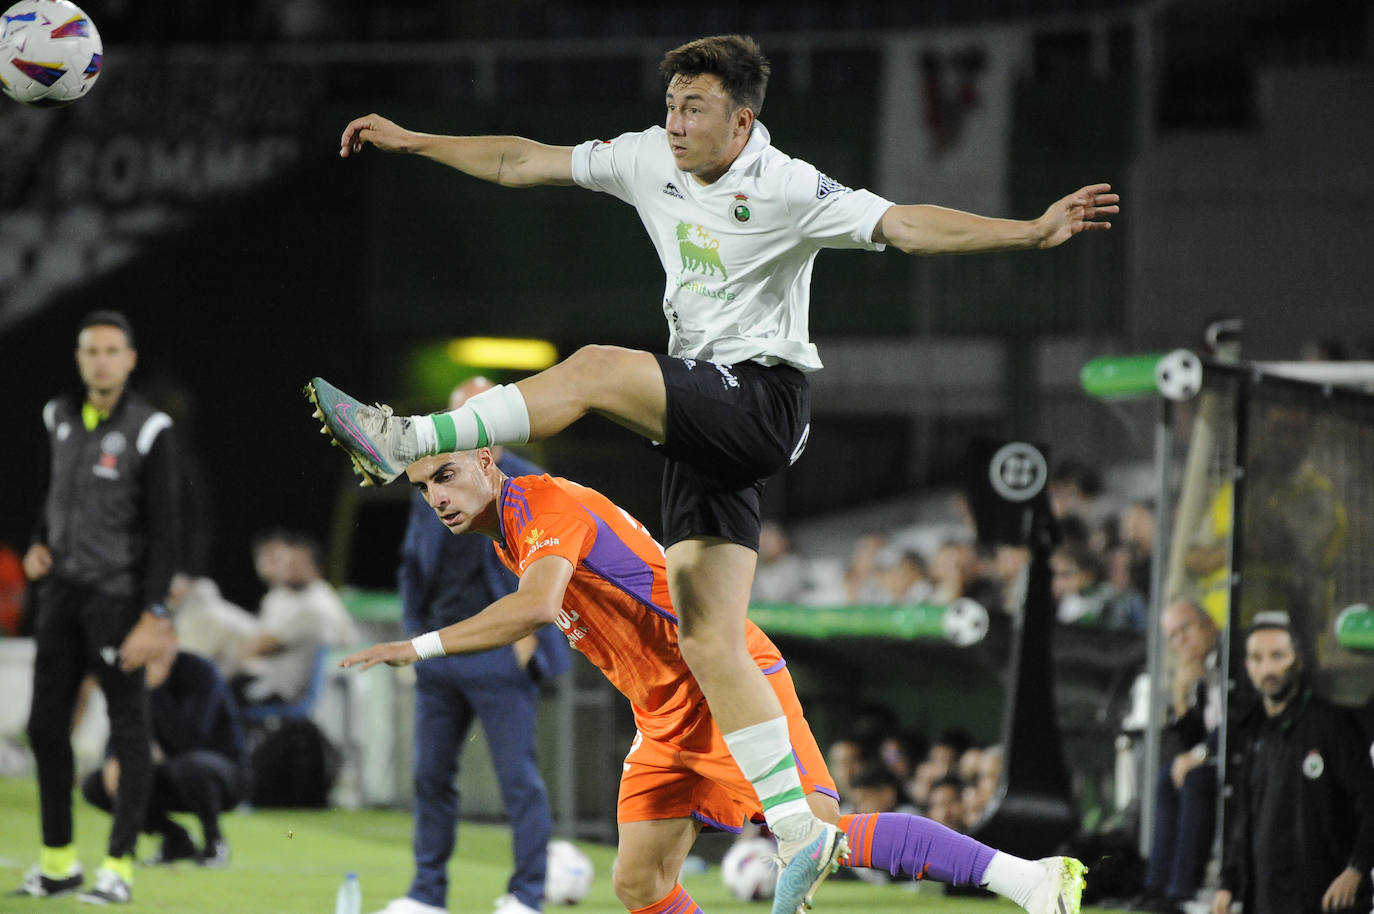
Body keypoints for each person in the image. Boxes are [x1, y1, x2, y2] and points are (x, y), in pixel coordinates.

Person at [312, 33, 1116, 914]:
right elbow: (519, 160)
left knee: (592, 370)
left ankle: (404, 433)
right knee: (704, 651)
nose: (676, 122)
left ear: (744, 119)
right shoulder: (648, 158)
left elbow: (906, 224)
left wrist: (1030, 230)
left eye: (695, 108)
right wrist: (416, 141)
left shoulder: (788, 185)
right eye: (671, 105)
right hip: (700, 433)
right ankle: (807, 837)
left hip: (762, 404)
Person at [340, 449, 1088, 914]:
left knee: (821, 839)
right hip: (663, 715)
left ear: (490, 460)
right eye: (423, 486)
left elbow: (536, 608)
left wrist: (420, 646)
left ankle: (1030, 881)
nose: (437, 496)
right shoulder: (509, 530)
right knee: (638, 881)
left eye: (445, 474)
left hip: (723, 684)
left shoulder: (542, 506)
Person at [373, 379, 570, 914]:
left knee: (517, 780)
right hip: (439, 649)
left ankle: (527, 896)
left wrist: (531, 634)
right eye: (460, 415)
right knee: (430, 776)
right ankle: (426, 895)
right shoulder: (432, 479)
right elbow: (414, 563)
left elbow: (555, 570)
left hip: (499, 650)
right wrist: (416, 637)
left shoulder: (534, 483)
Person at [13, 310, 181, 905]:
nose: (101, 360)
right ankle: (58, 863)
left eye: (112, 350)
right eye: (91, 351)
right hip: (60, 596)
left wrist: (154, 614)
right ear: (80, 359)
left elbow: (166, 531)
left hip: (118, 601)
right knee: (44, 729)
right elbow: (49, 497)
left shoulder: (149, 428)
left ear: (130, 359)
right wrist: (36, 543)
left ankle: (118, 867)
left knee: (128, 731)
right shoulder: (58, 417)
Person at [1212, 615, 1374, 914]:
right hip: (1264, 900)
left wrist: (1357, 870)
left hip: (1321, 899)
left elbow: (1370, 802)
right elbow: (1243, 819)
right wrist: (1229, 883)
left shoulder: (1331, 724)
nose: (1267, 668)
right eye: (1257, 658)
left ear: (1298, 660)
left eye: (1278, 656)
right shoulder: (1252, 732)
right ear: (1246, 666)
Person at [80, 632, 250, 869]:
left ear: (174, 642)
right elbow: (122, 726)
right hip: (171, 774)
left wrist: (154, 688)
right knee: (96, 785)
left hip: (222, 776)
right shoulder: (133, 673)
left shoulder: (200, 671)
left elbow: (188, 737)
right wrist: (114, 758)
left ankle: (214, 842)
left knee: (189, 766)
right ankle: (175, 838)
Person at [1133, 598, 1221, 914]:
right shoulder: (1199, 668)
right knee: (1166, 777)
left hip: (1244, 758)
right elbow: (1193, 738)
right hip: (1213, 757)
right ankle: (1157, 887)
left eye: (1186, 629)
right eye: (1173, 636)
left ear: (1209, 624)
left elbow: (1237, 721)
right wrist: (1182, 700)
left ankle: (1182, 891)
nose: (1180, 640)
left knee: (1195, 778)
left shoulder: (1232, 659)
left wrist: (1201, 753)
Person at [231, 530, 357, 709]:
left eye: (298, 564)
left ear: (316, 568)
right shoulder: (280, 595)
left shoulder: (317, 604)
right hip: (268, 678)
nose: (290, 569)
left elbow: (260, 647)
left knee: (217, 693)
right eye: (286, 563)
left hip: (283, 688)